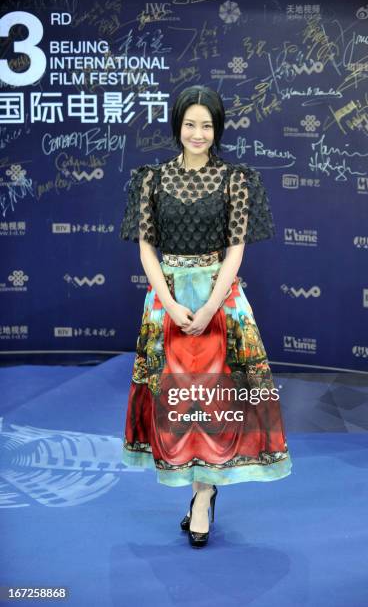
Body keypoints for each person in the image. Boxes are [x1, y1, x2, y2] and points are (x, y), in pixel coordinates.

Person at [119, 85, 293, 548]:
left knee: (214, 403)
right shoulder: (150, 180)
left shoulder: (236, 179)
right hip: (168, 302)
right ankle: (201, 488)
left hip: (221, 301)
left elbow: (236, 250)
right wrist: (172, 305)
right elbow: (146, 249)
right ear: (177, 125)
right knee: (178, 403)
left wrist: (212, 305)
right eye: (190, 123)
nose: (198, 133)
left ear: (218, 130)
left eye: (207, 125)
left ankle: (202, 495)